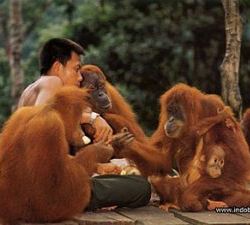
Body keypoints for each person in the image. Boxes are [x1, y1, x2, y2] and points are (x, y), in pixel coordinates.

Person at [17, 38, 151, 211]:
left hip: (40, 186)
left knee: (126, 179)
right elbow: (42, 119)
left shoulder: (28, 92)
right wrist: (91, 117)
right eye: (76, 69)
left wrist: (97, 166)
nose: (79, 77)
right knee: (140, 188)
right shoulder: (52, 82)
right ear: (58, 67)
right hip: (53, 194)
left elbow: (46, 153)